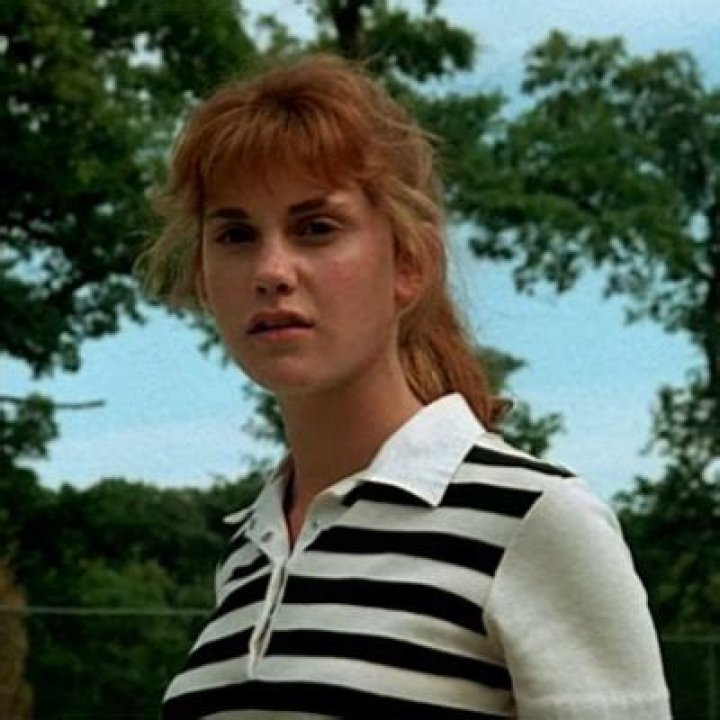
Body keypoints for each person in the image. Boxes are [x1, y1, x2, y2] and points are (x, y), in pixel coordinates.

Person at [139, 54, 671, 719]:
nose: (272, 270)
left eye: (316, 228)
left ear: (408, 263)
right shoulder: (249, 554)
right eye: (236, 235)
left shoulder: (534, 522)